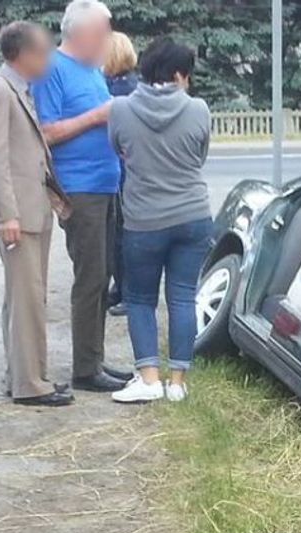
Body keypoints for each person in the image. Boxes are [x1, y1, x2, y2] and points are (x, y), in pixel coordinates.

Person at [0, 21, 74, 407]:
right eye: (44, 51)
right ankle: (31, 385)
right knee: (26, 298)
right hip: (18, 216)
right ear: (24, 54)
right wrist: (7, 215)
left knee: (26, 298)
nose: (48, 57)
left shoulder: (17, 89)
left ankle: (27, 376)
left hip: (33, 211)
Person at [32, 0, 129, 392]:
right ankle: (85, 370)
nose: (107, 38)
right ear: (81, 33)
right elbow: (45, 132)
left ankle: (95, 360)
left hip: (106, 183)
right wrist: (97, 116)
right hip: (79, 188)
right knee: (90, 277)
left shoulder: (92, 70)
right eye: (103, 31)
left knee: (103, 273)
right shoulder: (52, 69)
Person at [108, 37, 212, 403]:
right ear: (180, 74)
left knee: (139, 299)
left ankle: (149, 378)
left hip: (144, 220)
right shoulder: (199, 109)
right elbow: (199, 157)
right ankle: (178, 384)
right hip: (193, 215)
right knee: (183, 296)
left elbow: (117, 148)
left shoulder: (120, 109)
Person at [103, 31, 139, 318]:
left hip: (124, 169)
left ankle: (129, 291)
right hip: (120, 167)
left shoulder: (123, 90)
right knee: (117, 230)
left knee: (124, 231)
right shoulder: (119, 85)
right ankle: (121, 287)